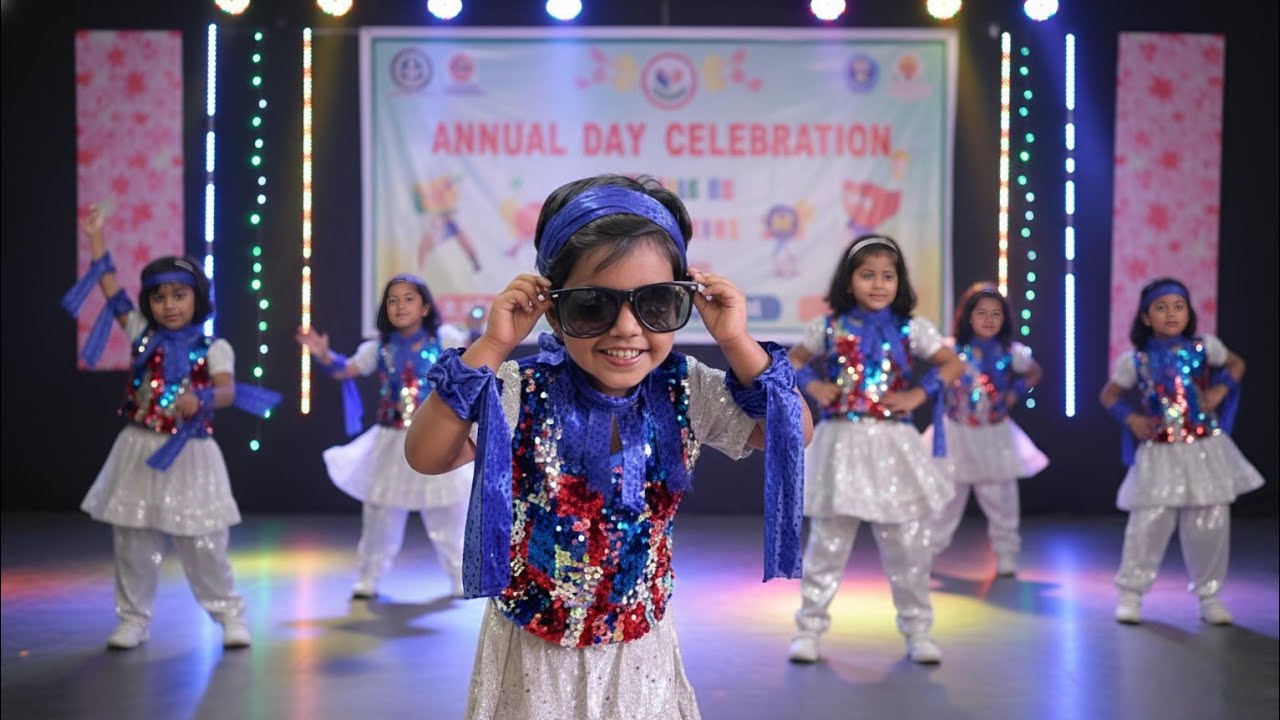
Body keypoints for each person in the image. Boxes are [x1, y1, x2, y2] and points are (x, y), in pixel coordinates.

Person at [403, 174, 811, 719]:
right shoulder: (521, 390)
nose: (626, 329)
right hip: (532, 650)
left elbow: (794, 431)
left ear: (681, 300)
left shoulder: (686, 387)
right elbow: (425, 455)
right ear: (552, 309)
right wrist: (495, 343)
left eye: (656, 304)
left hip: (639, 648)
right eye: (593, 306)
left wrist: (735, 340)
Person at [64, 205, 278, 650]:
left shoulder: (214, 346)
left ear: (197, 299)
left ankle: (229, 614)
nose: (169, 305)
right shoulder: (142, 333)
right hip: (139, 448)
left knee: (204, 544)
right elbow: (111, 292)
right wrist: (97, 239)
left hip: (192, 451)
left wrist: (197, 399)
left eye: (179, 295)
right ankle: (133, 619)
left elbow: (226, 392)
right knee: (133, 540)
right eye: (160, 297)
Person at [786, 234, 965, 665]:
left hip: (893, 443)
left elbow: (952, 363)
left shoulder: (911, 329)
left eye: (888, 276)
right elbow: (790, 362)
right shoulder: (828, 328)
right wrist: (815, 386)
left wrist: (918, 395)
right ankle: (809, 629)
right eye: (868, 275)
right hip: (841, 442)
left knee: (907, 544)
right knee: (828, 543)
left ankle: (918, 629)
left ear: (899, 282)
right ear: (849, 282)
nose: (878, 284)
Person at [296, 274, 474, 599]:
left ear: (424, 307)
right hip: (391, 440)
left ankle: (460, 576)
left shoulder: (444, 339)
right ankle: (369, 576)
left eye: (408, 299)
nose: (400, 306)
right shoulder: (379, 348)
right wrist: (323, 356)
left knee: (449, 512)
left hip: (435, 438)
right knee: (380, 515)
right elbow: (345, 370)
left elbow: (472, 364)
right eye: (393, 300)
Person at [1098, 277, 1263, 625]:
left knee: (1210, 518)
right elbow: (1109, 396)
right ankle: (1131, 593)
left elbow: (1237, 365)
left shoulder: (1207, 348)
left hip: (1204, 446)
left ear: (1189, 312)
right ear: (1145, 317)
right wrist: (1131, 419)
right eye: (1161, 308)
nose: (1171, 314)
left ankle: (1209, 595)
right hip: (1159, 450)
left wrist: (1219, 391)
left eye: (1179, 307)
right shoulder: (1136, 360)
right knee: (1149, 521)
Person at [923, 283, 1049, 577]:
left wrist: (1015, 391)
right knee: (945, 499)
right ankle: (927, 552)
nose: (989, 320)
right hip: (956, 431)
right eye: (982, 313)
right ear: (968, 316)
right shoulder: (952, 348)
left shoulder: (1012, 352)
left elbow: (1034, 373)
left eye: (996, 314)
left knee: (1002, 498)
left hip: (994, 434)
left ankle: (1006, 554)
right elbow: (933, 376)